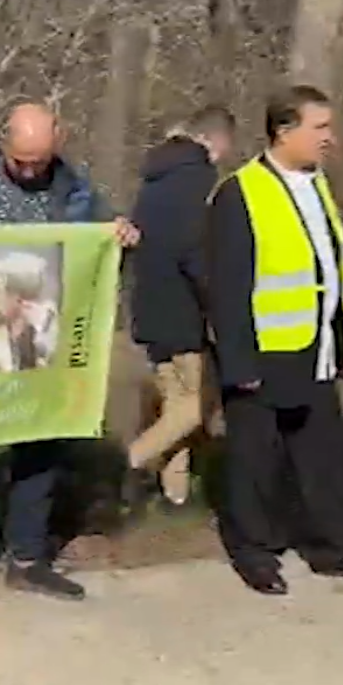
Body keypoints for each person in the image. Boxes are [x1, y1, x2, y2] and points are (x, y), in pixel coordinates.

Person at [0, 99, 141, 616]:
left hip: (43, 340)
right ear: (3, 145)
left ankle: (28, 558)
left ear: (58, 142)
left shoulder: (76, 189)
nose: (28, 170)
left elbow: (102, 238)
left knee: (40, 451)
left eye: (38, 161)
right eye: (20, 160)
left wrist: (121, 237)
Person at [207, 86, 343, 595]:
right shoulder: (240, 192)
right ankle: (255, 554)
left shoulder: (315, 185)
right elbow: (227, 285)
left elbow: (325, 258)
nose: (329, 139)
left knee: (322, 459)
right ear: (284, 131)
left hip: (318, 351)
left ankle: (338, 550)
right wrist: (239, 363)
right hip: (264, 355)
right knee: (256, 461)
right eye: (320, 128)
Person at [122, 106, 235, 509]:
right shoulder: (200, 178)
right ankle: (129, 463)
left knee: (175, 401)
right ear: (215, 140)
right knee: (196, 406)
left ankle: (175, 495)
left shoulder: (155, 178)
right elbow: (195, 251)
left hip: (149, 305)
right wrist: (219, 300)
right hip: (182, 308)